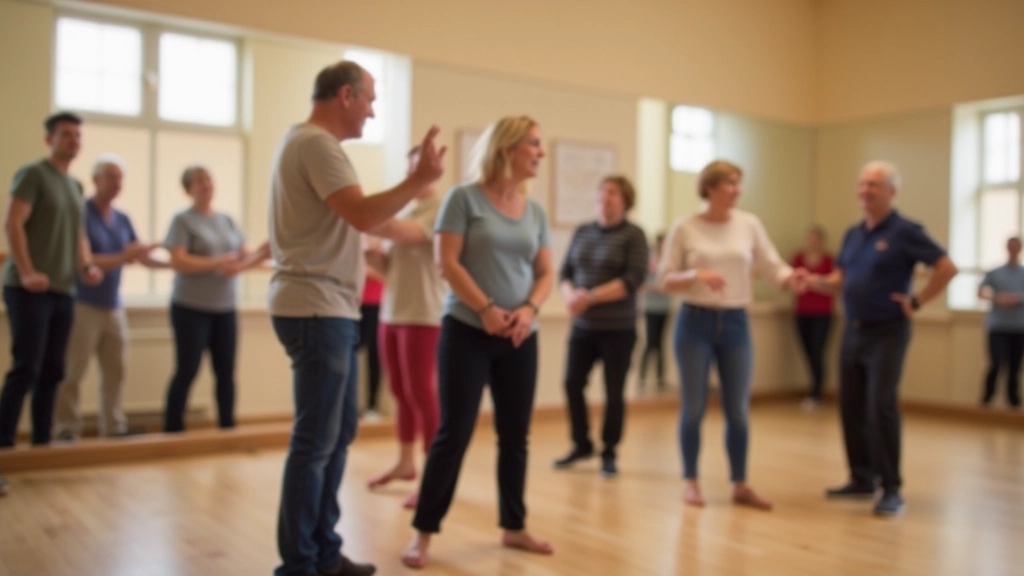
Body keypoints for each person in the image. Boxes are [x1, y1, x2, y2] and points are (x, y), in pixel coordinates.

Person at [267, 60, 444, 576]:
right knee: (316, 443)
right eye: (369, 100)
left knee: (334, 437)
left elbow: (362, 221)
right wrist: (419, 179)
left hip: (330, 310)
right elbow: (365, 215)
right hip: (318, 310)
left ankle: (323, 553)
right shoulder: (317, 145)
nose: (371, 110)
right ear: (345, 95)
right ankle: (299, 563)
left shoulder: (310, 145)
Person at [401, 115, 555, 569]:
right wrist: (487, 309)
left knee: (516, 437)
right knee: (454, 434)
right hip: (468, 331)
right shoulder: (463, 199)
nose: (540, 153)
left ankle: (514, 526)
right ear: (507, 149)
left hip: (521, 336)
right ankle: (423, 534)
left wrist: (528, 310)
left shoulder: (535, 211)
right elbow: (446, 261)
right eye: (534, 144)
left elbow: (546, 273)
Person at [808, 160, 957, 517]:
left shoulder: (906, 231)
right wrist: (812, 281)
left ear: (892, 191)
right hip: (853, 330)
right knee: (851, 405)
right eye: (862, 184)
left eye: (874, 185)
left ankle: (891, 488)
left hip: (887, 332)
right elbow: (839, 277)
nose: (865, 191)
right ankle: (861, 478)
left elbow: (947, 267)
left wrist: (918, 300)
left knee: (880, 405)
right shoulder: (854, 234)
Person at [658, 159, 805, 511]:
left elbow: (771, 264)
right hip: (694, 323)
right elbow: (665, 279)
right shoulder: (685, 227)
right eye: (730, 183)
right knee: (693, 408)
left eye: (739, 183)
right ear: (710, 188)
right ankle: (691, 481)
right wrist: (696, 275)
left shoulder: (748, 224)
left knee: (738, 410)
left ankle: (740, 484)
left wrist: (789, 279)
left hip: (736, 323)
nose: (737, 190)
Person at [0, 111, 103, 448]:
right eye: (66, 134)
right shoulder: (33, 174)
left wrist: (86, 266)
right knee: (26, 369)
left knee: (54, 371)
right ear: (49, 139)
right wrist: (28, 272)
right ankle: (4, 447)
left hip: (63, 289)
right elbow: (13, 223)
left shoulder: (74, 185)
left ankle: (42, 445)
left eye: (77, 135)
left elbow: (78, 235)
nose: (73, 140)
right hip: (28, 288)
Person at [53, 154, 167, 441]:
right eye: (111, 177)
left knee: (116, 370)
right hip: (83, 304)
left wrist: (171, 260)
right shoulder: (81, 212)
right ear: (96, 180)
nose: (117, 183)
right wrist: (123, 257)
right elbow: (83, 259)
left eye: (120, 177)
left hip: (113, 306)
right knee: (73, 371)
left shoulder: (122, 218)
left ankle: (113, 427)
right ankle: (66, 429)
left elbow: (137, 255)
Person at [365, 146, 447, 509]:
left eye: (421, 170)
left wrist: (361, 215)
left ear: (434, 172)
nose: (415, 176)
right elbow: (390, 272)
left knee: (421, 393)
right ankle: (405, 463)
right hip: (392, 313)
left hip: (423, 315)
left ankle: (433, 477)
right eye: (410, 169)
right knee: (399, 391)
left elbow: (405, 233)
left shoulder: (440, 210)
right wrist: (371, 254)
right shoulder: (409, 209)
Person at [553, 175, 648, 478]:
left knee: (613, 390)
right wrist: (571, 296)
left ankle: (609, 451)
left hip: (618, 329)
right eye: (602, 192)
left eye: (612, 193)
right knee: (571, 383)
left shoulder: (634, 235)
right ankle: (582, 444)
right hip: (583, 327)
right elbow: (565, 271)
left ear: (625, 200)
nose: (605, 197)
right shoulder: (583, 231)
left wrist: (590, 297)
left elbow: (633, 281)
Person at [162, 165, 270, 433]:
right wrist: (217, 262)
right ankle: (173, 429)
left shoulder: (227, 221)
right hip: (190, 307)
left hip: (225, 308)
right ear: (189, 189)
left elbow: (244, 257)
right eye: (199, 181)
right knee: (187, 368)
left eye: (208, 179)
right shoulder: (182, 220)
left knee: (225, 372)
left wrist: (264, 254)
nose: (206, 184)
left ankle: (227, 428)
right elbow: (178, 260)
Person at [792, 225, 835, 410]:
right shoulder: (798, 259)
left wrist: (815, 283)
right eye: (810, 238)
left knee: (818, 352)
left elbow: (834, 286)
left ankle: (816, 393)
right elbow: (792, 282)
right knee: (807, 352)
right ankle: (812, 389)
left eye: (816, 238)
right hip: (802, 312)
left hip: (823, 313)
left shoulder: (829, 261)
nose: (812, 241)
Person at [978, 236, 1024, 409]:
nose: (1013, 250)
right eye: (1010, 247)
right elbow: (981, 291)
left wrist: (1017, 298)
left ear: (1020, 249)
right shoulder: (995, 272)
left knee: (1015, 367)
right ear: (1006, 248)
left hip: (1019, 327)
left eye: (1016, 247)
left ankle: (1014, 404)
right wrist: (996, 298)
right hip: (998, 326)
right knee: (996, 363)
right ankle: (986, 401)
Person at [638, 233, 671, 394]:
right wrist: (658, 288)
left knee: (661, 345)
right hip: (651, 308)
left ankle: (660, 380)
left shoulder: (670, 261)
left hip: (665, 308)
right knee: (650, 343)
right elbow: (641, 284)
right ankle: (642, 379)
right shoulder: (648, 261)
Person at [358, 247, 384, 421]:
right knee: (348, 356)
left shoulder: (386, 249)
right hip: (355, 304)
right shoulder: (357, 244)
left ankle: (372, 406)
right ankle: (346, 406)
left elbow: (391, 276)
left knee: (375, 357)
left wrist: (374, 272)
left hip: (379, 307)